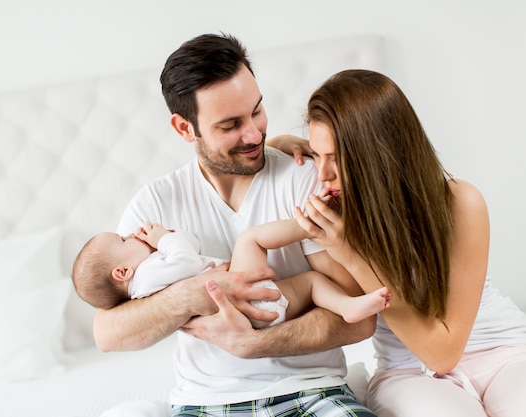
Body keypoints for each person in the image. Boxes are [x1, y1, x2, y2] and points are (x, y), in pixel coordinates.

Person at [92, 33, 380, 416]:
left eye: (257, 111)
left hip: (313, 393)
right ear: (184, 128)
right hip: (206, 403)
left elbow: (358, 323)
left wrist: (256, 343)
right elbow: (108, 334)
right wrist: (194, 292)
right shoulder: (155, 205)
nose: (254, 134)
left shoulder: (302, 176)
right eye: (230, 125)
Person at [258, 69, 526, 417]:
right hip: (408, 372)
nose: (322, 174)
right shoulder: (334, 206)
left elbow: (444, 352)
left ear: (379, 152)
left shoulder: (459, 202)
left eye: (336, 157)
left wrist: (352, 256)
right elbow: (264, 162)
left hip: (501, 352)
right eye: (316, 154)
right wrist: (280, 143)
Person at [72, 220, 390, 326]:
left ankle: (349, 306)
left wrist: (171, 237)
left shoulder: (150, 276)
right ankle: (311, 223)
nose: (133, 235)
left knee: (311, 282)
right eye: (125, 240)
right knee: (249, 239)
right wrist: (162, 240)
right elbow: (185, 261)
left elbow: (190, 251)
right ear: (122, 271)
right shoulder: (145, 279)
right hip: (243, 309)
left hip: (257, 314)